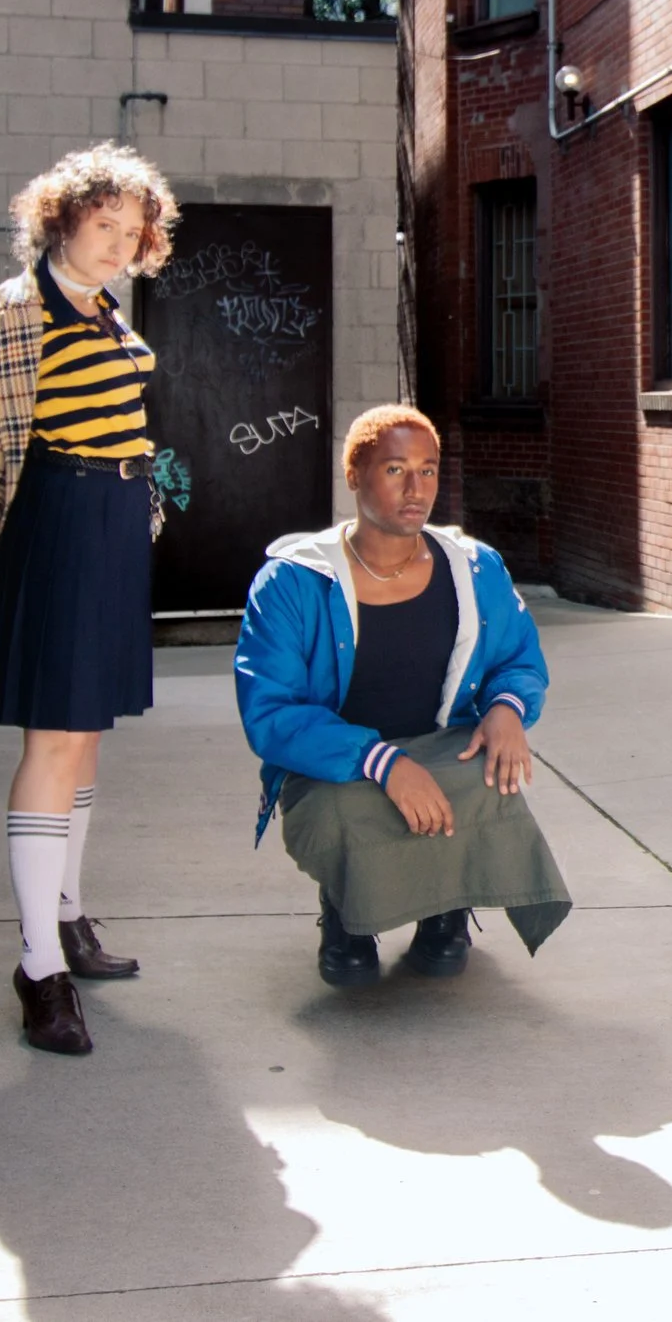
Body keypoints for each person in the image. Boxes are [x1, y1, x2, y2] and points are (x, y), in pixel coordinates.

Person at [0, 143, 180, 1056]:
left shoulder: (106, 311)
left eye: (133, 233)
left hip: (113, 528)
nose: (119, 245)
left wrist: (146, 498)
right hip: (54, 526)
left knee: (84, 734)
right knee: (53, 738)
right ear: (60, 220)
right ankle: (37, 963)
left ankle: (70, 913)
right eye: (104, 226)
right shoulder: (5, 318)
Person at [234, 405, 569, 985]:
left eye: (429, 470)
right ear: (355, 476)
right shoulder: (293, 581)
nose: (416, 489)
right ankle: (349, 914)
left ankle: (445, 907)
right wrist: (381, 760)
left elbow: (518, 658)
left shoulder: (473, 568)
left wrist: (506, 708)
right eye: (395, 470)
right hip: (338, 768)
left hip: (442, 750)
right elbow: (271, 712)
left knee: (491, 781)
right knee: (348, 810)